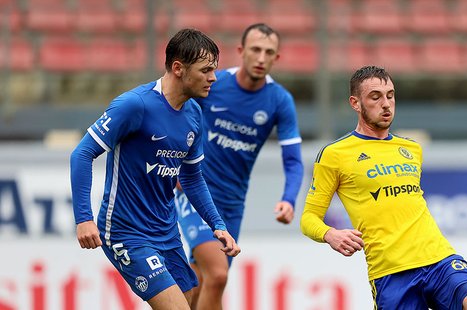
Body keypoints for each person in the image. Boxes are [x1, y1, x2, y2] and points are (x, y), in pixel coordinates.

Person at [300, 65, 467, 309]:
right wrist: (329, 233)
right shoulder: (334, 154)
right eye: (375, 97)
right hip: (391, 273)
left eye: (390, 95)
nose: (386, 103)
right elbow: (309, 218)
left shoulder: (411, 149)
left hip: (438, 258)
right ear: (355, 103)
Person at [70, 28, 240, 309]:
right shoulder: (134, 105)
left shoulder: (194, 113)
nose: (213, 77)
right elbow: (82, 153)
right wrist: (84, 218)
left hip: (166, 231)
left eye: (215, 69)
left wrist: (217, 225)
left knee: (188, 299)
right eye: (206, 70)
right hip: (126, 231)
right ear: (178, 68)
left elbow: (192, 177)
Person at [174, 23, 303, 309]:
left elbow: (293, 160)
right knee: (218, 276)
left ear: (276, 58)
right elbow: (177, 118)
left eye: (268, 52)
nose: (261, 57)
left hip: (233, 203)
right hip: (196, 193)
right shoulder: (213, 84)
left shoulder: (279, 100)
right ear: (241, 51)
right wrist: (176, 164)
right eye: (255, 49)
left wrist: (289, 199)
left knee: (199, 283)